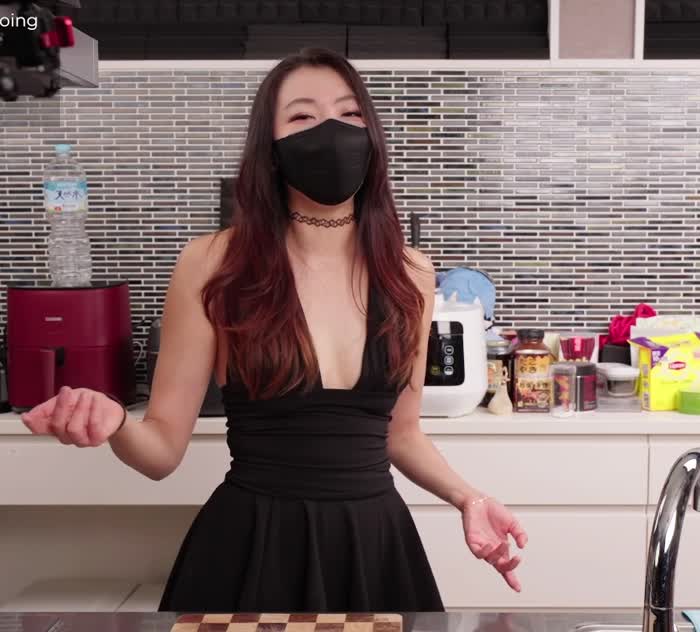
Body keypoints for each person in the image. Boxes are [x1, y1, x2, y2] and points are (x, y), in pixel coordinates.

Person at [21, 47, 527, 613]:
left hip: (374, 548)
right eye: (303, 116)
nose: (331, 131)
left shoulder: (410, 272)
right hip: (253, 549)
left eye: (349, 114)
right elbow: (160, 451)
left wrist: (468, 497)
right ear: (271, 148)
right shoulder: (213, 263)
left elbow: (400, 433)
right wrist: (116, 421)